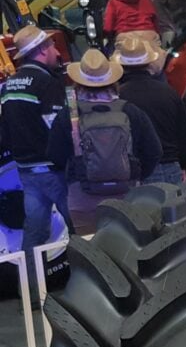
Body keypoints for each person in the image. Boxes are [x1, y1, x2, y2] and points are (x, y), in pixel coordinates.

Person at [47, 49, 161, 234]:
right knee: (129, 243)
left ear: (78, 83)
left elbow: (55, 156)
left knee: (88, 246)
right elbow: (154, 152)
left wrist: (77, 171)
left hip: (82, 198)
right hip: (127, 196)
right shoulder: (130, 111)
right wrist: (134, 174)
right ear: (112, 81)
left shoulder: (68, 116)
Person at [0, 25, 73, 307]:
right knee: (78, 228)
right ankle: (89, 287)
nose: (56, 50)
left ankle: (30, 294)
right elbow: (57, 127)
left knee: (34, 232)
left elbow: (6, 131)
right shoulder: (47, 83)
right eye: (51, 46)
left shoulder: (9, 86)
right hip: (53, 169)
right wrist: (67, 160)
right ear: (41, 50)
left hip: (26, 171)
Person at [112, 37, 186, 184]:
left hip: (136, 170)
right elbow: (185, 136)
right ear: (149, 63)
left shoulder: (118, 98)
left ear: (121, 65)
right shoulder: (169, 92)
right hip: (171, 168)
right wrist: (183, 165)